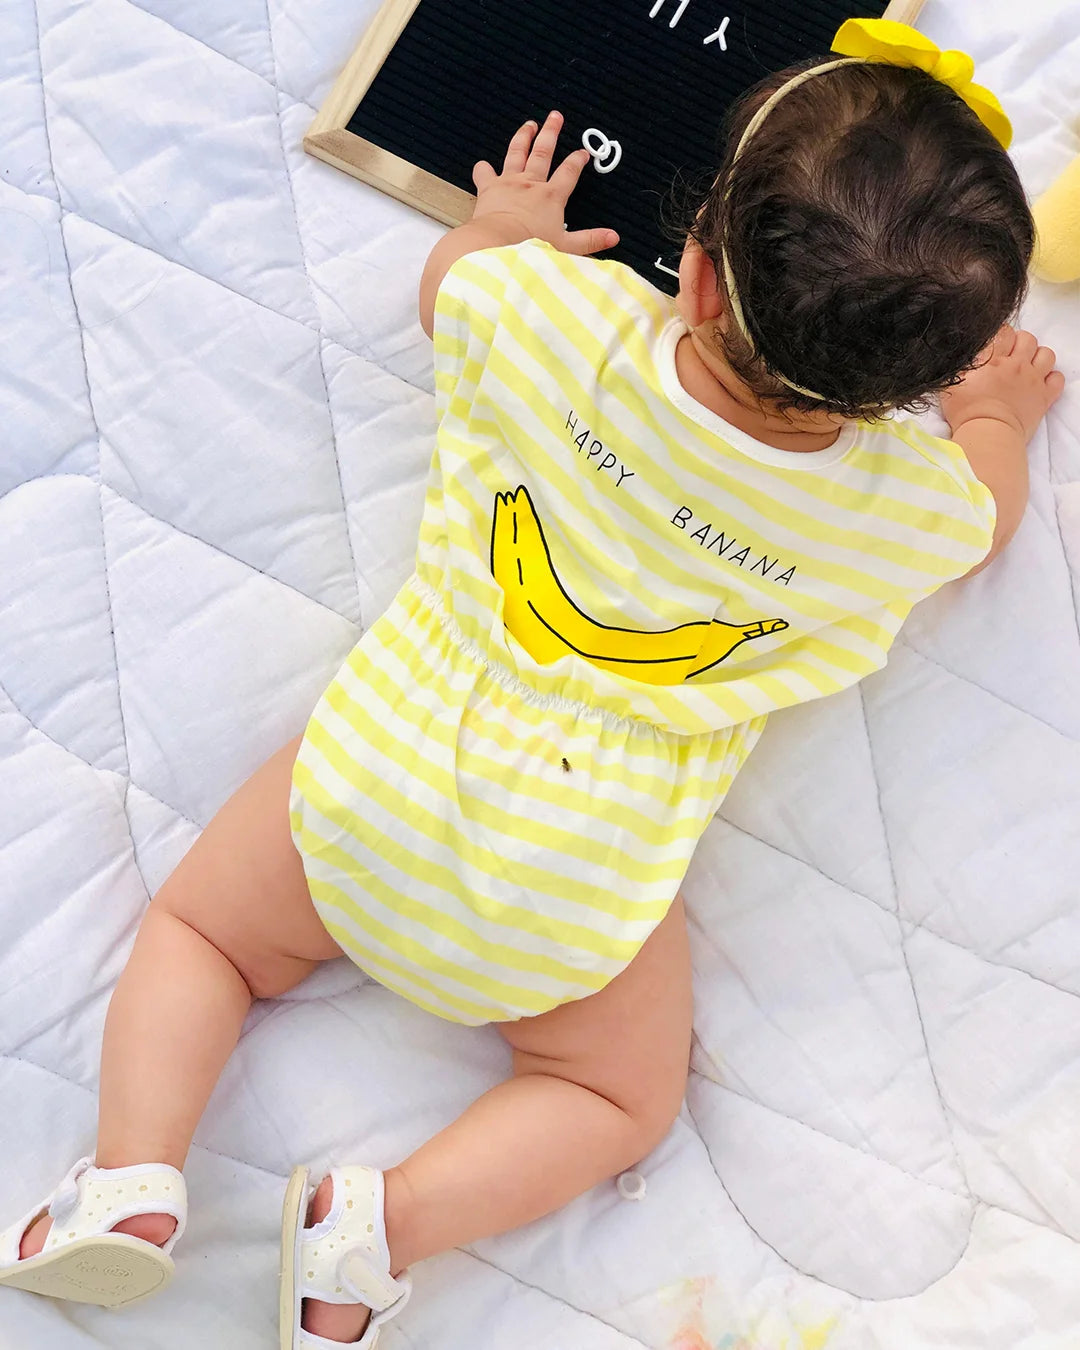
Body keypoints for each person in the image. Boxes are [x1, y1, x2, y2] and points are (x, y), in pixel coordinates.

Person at [0, 19, 1064, 1349]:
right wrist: (993, 421)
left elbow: (452, 284)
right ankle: (381, 1223)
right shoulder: (900, 516)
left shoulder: (548, 322)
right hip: (576, 879)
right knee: (615, 1097)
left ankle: (134, 1178)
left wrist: (506, 222)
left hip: (382, 771)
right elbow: (989, 516)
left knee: (203, 939)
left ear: (701, 278)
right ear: (913, 380)